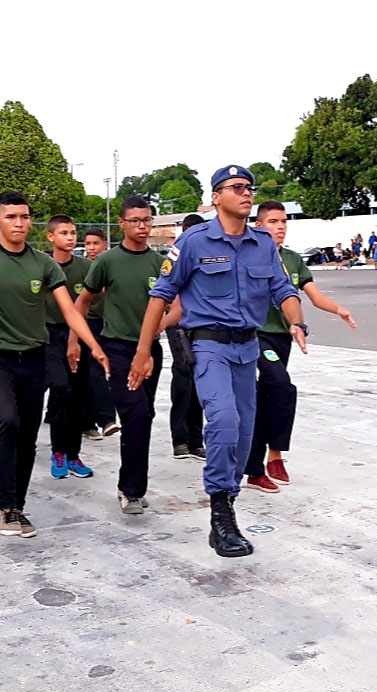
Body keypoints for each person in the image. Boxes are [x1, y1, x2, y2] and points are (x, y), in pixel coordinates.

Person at [135, 165, 305, 557]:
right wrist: (144, 350)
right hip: (209, 345)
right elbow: (161, 295)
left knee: (244, 435)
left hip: (248, 347)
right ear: (216, 197)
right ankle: (219, 513)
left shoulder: (262, 243)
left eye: (250, 188)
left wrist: (297, 321)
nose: (247, 194)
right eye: (236, 188)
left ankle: (228, 501)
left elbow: (284, 289)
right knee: (224, 422)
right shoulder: (193, 242)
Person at [0, 191, 108, 538]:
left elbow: (69, 308)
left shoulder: (44, 264)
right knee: (6, 419)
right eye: (11, 217)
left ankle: (17, 507)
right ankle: (5, 504)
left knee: (26, 433)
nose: (19, 223)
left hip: (34, 356)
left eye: (24, 217)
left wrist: (93, 345)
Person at [244, 201, 357, 492]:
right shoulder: (247, 256)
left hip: (284, 336)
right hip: (257, 335)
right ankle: (276, 455)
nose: (280, 227)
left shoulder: (293, 260)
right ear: (259, 225)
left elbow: (314, 296)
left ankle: (256, 469)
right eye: (273, 221)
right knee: (281, 385)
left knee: (268, 398)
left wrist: (339, 309)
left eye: (283, 221)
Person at [72, 196, 163, 515]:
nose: (142, 226)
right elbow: (82, 302)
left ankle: (133, 484)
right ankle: (131, 490)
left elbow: (179, 305)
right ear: (122, 223)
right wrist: (74, 340)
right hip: (118, 349)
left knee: (145, 416)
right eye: (135, 220)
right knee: (136, 414)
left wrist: (149, 336)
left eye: (147, 220)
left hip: (151, 350)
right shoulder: (107, 261)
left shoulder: (160, 263)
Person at [43, 215, 94, 479]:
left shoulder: (85, 267)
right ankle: (58, 451)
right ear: (51, 237)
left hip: (78, 334)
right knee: (60, 389)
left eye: (73, 232)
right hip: (48, 335)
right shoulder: (41, 265)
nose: (70, 237)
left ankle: (73, 454)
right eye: (64, 233)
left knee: (78, 394)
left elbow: (87, 304)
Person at [166, 213, 205, 461]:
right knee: (182, 377)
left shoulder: (206, 256)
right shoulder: (176, 256)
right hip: (179, 324)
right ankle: (180, 440)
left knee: (200, 382)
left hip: (201, 325)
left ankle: (195, 439)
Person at [79, 228, 118, 440]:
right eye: (88, 244)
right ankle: (101, 420)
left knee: (104, 372)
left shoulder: (111, 265)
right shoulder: (84, 268)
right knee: (92, 371)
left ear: (105, 244)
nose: (92, 248)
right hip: (89, 323)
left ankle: (100, 419)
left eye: (96, 243)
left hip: (110, 324)